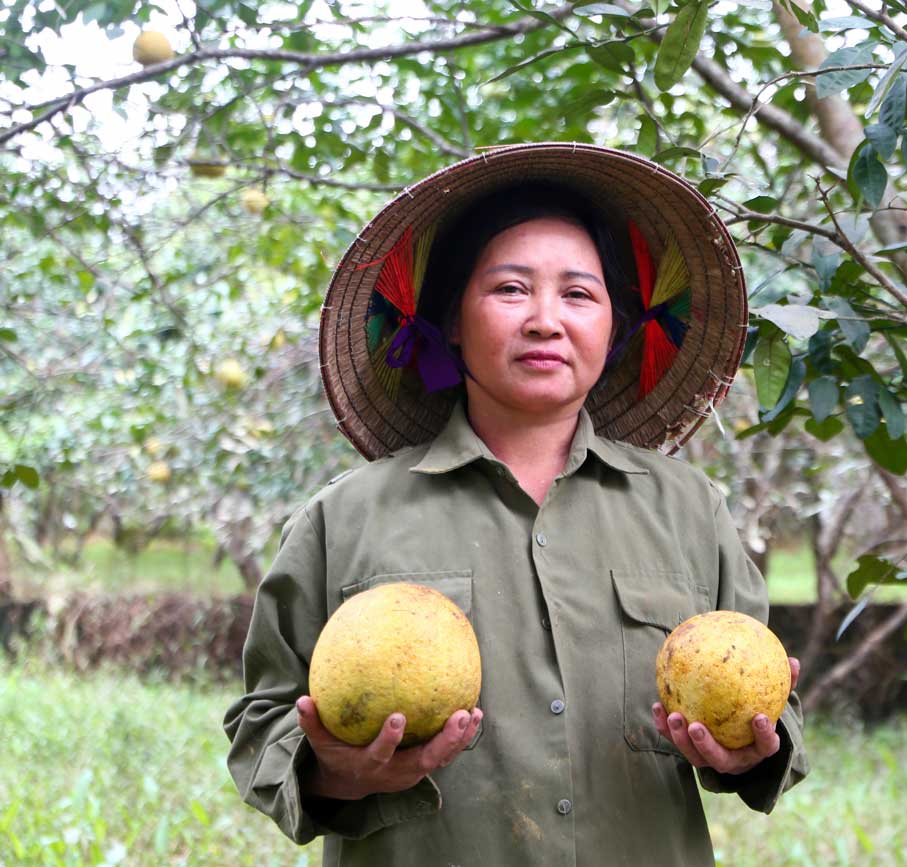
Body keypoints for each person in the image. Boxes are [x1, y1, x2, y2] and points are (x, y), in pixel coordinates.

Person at [223, 143, 809, 866]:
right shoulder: (343, 519)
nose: (544, 320)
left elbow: (778, 721)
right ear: (453, 321)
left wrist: (748, 749)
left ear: (613, 326)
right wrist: (337, 770)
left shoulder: (690, 512)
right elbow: (260, 729)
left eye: (578, 294)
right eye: (509, 289)